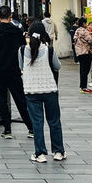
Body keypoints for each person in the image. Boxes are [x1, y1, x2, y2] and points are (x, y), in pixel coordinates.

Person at [22, 21, 65, 163]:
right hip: (49, 90)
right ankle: (58, 151)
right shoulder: (49, 50)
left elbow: (20, 67)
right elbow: (57, 66)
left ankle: (39, 153)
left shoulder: (22, 50)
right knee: (54, 121)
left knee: (37, 122)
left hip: (31, 91)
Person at [0, 6, 33, 139]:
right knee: (20, 99)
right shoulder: (17, 31)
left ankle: (7, 129)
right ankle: (30, 127)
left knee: (2, 99)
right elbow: (22, 48)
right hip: (14, 68)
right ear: (10, 16)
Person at [73, 18, 92, 93]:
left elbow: (75, 39)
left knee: (82, 69)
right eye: (86, 23)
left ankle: (82, 86)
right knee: (85, 70)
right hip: (85, 52)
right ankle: (84, 87)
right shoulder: (84, 31)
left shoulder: (77, 30)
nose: (87, 25)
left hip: (79, 52)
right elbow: (91, 40)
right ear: (83, 24)